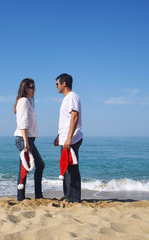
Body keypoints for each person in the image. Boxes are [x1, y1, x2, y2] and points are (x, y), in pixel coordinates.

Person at [53, 73, 83, 203]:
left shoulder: (72, 96)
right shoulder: (66, 98)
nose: (56, 86)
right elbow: (66, 121)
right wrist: (59, 137)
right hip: (65, 138)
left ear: (64, 83)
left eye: (57, 83)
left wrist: (69, 138)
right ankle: (67, 195)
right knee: (66, 167)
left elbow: (74, 117)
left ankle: (74, 198)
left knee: (72, 169)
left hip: (71, 139)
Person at [14, 78, 45, 201]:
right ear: (24, 88)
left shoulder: (27, 102)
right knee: (26, 167)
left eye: (34, 87)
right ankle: (21, 197)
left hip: (27, 139)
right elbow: (23, 122)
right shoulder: (23, 101)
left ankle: (37, 195)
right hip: (24, 139)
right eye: (30, 87)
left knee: (37, 165)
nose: (33, 90)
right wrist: (26, 142)